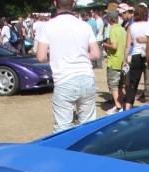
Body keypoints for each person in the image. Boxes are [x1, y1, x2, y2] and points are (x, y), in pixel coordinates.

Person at [36, 0, 100, 132]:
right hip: (86, 77)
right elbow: (95, 54)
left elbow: (41, 56)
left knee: (62, 129)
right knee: (88, 127)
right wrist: (79, 54)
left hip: (65, 79)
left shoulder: (48, 26)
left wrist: (56, 56)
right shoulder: (84, 25)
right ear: (73, 5)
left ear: (55, 3)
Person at [124, 4, 149, 110]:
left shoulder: (131, 27)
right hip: (147, 54)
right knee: (148, 82)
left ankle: (127, 106)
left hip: (135, 54)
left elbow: (127, 45)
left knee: (133, 83)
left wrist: (124, 59)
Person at [104, 10, 127, 114]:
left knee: (113, 85)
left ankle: (117, 107)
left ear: (109, 19)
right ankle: (120, 104)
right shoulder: (123, 30)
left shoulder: (113, 30)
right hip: (122, 61)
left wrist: (105, 45)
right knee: (120, 85)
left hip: (114, 61)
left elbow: (114, 46)